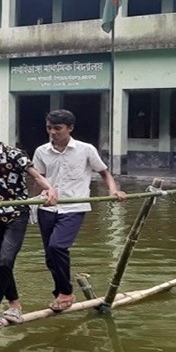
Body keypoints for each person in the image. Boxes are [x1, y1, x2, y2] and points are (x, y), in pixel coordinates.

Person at [0, 117, 58, 328]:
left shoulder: (15, 155)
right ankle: (15, 304)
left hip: (16, 214)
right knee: (0, 264)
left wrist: (50, 189)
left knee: (6, 260)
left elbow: (36, 176)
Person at [32, 109, 126, 312]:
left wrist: (114, 190)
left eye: (58, 128)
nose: (53, 132)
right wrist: (31, 204)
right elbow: (39, 179)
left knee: (57, 247)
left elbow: (104, 172)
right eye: (49, 128)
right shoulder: (41, 151)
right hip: (46, 207)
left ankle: (66, 292)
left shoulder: (85, 149)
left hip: (74, 206)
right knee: (50, 255)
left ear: (70, 128)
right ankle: (60, 292)